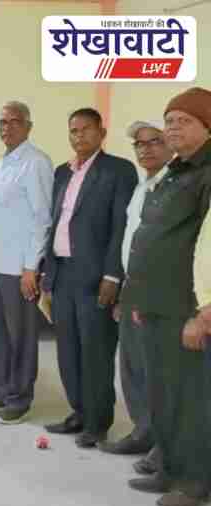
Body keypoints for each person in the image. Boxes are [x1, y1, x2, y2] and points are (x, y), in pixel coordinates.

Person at [125, 87, 211, 506]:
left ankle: (195, 481)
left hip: (187, 308)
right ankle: (169, 466)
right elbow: (151, 237)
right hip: (155, 303)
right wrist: (139, 297)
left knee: (191, 398)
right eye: (169, 119)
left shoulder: (207, 172)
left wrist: (204, 313)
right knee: (160, 393)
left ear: (207, 126)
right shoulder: (175, 170)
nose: (173, 127)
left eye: (184, 121)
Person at [41, 108, 137, 448]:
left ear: (101, 132)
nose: (78, 136)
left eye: (85, 129)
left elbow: (120, 227)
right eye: (73, 131)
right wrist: (47, 276)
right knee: (68, 352)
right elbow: (55, 224)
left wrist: (113, 274)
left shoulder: (118, 171)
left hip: (96, 276)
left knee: (95, 351)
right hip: (63, 273)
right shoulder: (61, 174)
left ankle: (98, 422)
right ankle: (79, 412)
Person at [0, 101, 53, 425]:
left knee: (21, 337)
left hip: (17, 269)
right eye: (2, 122)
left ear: (28, 126)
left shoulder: (35, 162)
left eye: (14, 122)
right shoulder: (4, 163)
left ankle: (19, 397)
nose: (7, 127)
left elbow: (41, 219)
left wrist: (31, 267)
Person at [100, 119, 173, 466]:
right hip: (133, 288)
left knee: (159, 371)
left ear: (171, 144)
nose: (145, 149)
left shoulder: (176, 185)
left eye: (154, 141)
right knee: (130, 367)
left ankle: (165, 445)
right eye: (139, 144)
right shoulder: (142, 187)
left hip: (160, 295)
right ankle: (142, 432)